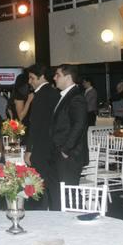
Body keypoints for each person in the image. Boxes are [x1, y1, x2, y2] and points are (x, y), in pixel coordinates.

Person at [47, 64, 89, 211]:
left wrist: (66, 149)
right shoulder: (64, 96)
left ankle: (81, 221)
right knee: (62, 193)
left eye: (57, 75)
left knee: (70, 195)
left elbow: (79, 125)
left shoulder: (76, 97)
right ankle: (62, 221)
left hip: (69, 155)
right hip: (60, 153)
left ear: (68, 77)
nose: (54, 78)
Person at [24, 63, 60, 210]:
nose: (29, 81)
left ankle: (41, 215)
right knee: (51, 185)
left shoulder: (40, 95)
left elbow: (36, 125)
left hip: (40, 147)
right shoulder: (54, 93)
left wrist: (29, 149)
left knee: (39, 186)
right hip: (52, 146)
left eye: (32, 78)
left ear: (42, 77)